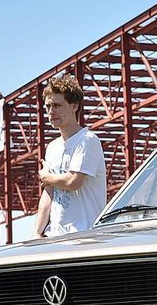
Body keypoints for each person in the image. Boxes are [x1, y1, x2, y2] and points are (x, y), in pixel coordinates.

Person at [33, 74, 107, 238]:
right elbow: (49, 193)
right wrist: (37, 233)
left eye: (57, 105)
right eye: (48, 107)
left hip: (86, 235)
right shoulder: (52, 147)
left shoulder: (87, 140)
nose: (51, 111)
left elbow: (74, 182)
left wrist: (46, 177)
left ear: (74, 106)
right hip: (56, 236)